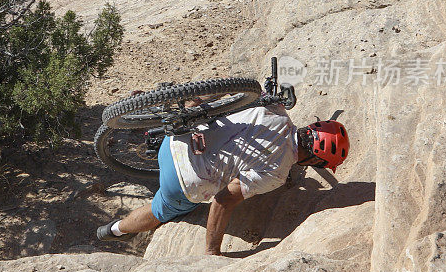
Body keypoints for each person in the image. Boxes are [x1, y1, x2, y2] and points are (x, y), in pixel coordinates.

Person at [96, 103, 350, 255]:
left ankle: (144, 119)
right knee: (160, 210)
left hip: (174, 140)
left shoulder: (276, 109)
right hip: (181, 181)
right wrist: (211, 250)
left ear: (311, 128)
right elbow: (223, 201)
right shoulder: (276, 175)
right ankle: (114, 230)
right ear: (315, 160)